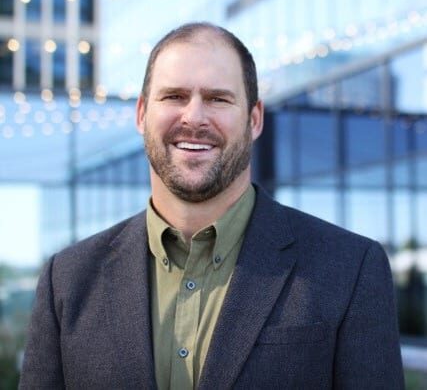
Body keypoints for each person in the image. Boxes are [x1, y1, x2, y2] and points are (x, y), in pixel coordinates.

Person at [20, 22, 404, 389]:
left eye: (218, 99)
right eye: (174, 96)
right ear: (141, 114)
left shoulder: (350, 269)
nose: (194, 117)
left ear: (254, 119)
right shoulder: (67, 279)